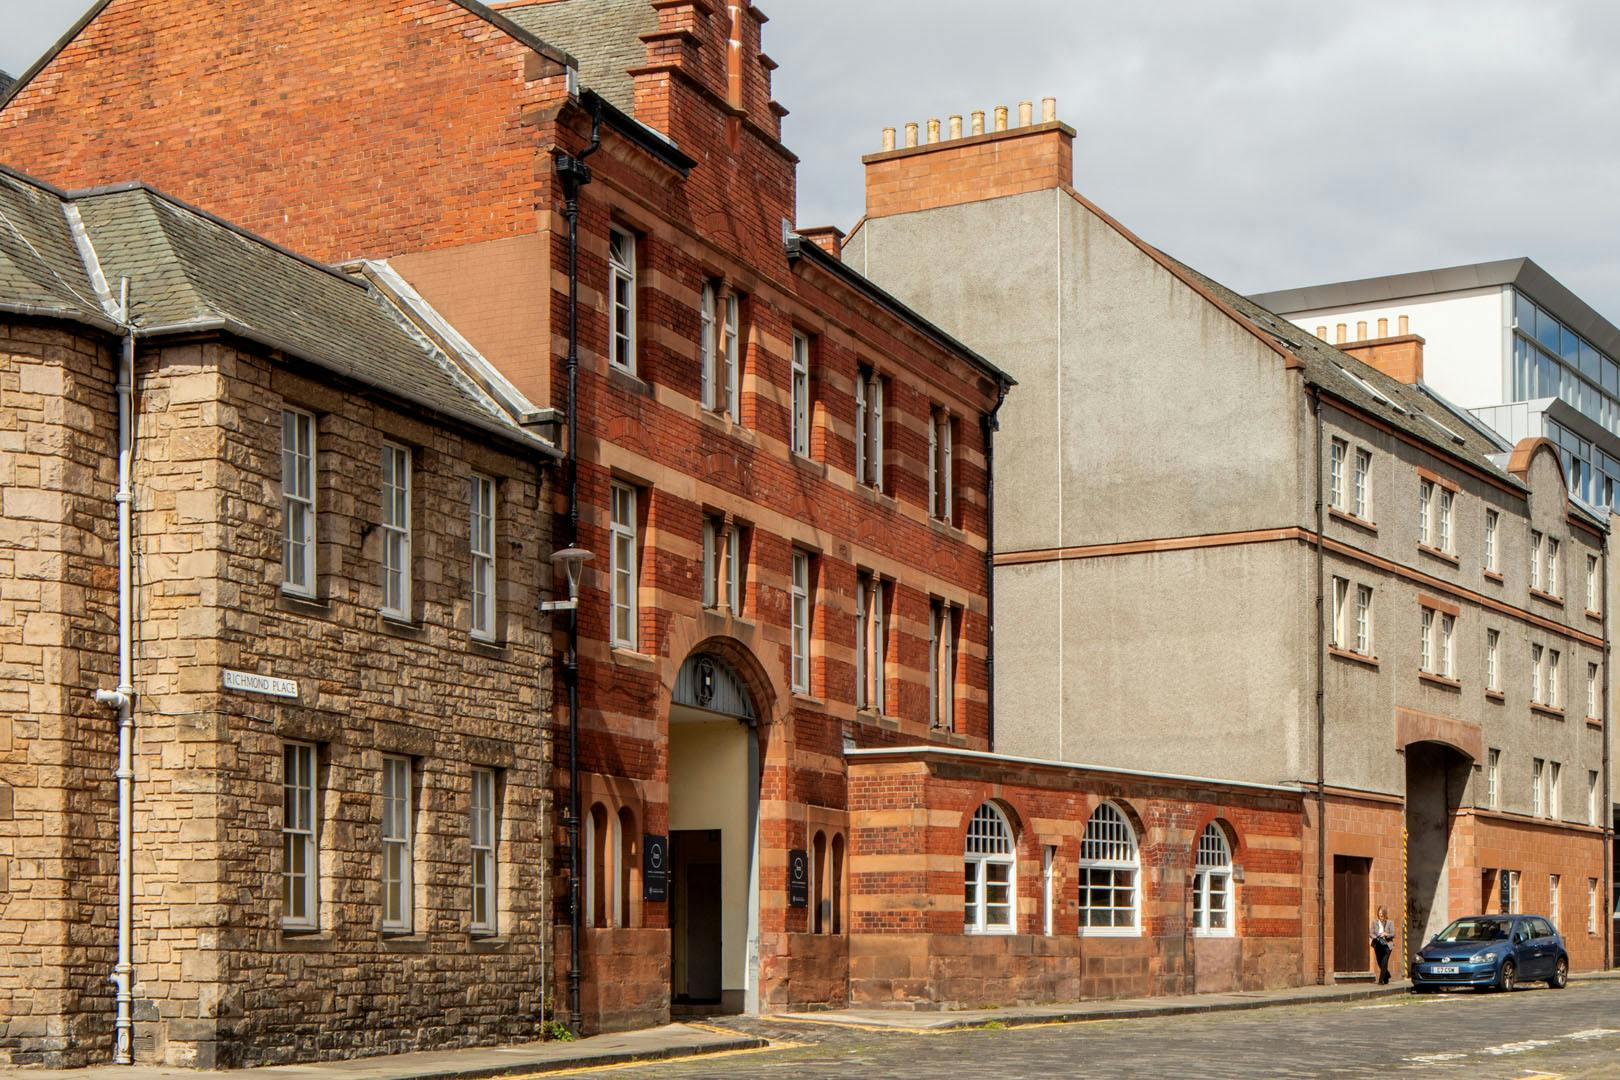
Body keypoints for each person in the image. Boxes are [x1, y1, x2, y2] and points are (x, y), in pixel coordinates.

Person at [1370, 907, 1396, 984]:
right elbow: (1371, 933)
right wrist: (1376, 937)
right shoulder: (1374, 922)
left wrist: (1386, 934)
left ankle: (1381, 980)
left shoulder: (1390, 922)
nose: (1380, 914)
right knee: (1379, 962)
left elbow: (1393, 934)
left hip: (1387, 945)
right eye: (1379, 913)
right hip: (1378, 944)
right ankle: (1387, 976)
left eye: (1381, 913)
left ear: (1384, 914)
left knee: (1384, 961)